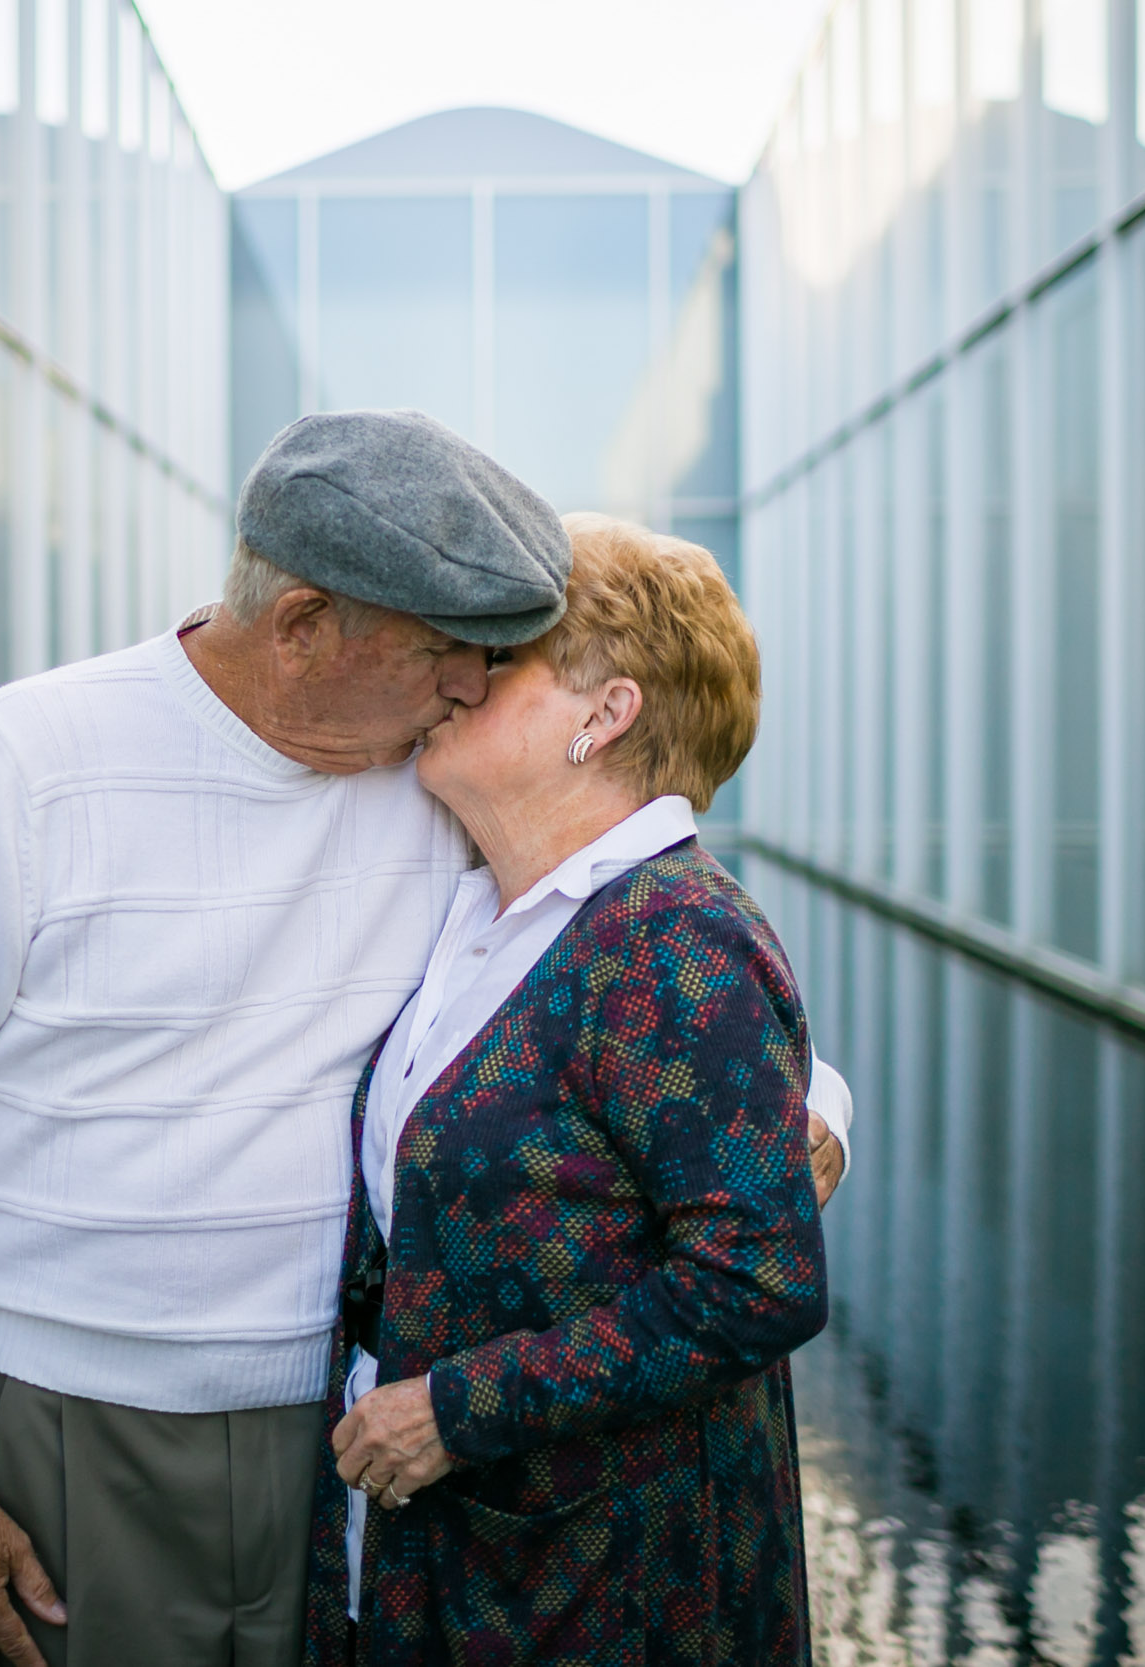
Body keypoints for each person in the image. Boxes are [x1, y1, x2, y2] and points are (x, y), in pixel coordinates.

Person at [0, 410, 850, 1667]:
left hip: (343, 1441)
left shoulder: (429, 788)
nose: (469, 685)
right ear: (304, 626)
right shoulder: (27, 766)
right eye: (449, 652)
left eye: (497, 659)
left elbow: (658, 973)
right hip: (75, 1427)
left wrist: (816, 1111)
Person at [309, 513, 828, 1665]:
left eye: (499, 662)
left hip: (605, 1584)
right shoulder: (479, 910)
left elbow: (759, 1280)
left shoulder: (673, 938)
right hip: (457, 1546)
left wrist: (458, 1407)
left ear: (605, 713)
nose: (455, 681)